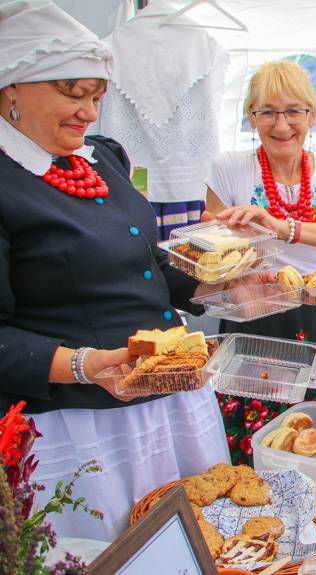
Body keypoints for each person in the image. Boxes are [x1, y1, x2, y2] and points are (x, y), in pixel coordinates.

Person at [0, 0, 230, 540]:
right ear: (11, 86)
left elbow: (141, 263)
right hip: (78, 425)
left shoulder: (101, 157)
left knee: (195, 542)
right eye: (72, 93)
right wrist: (86, 365)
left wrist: (220, 284)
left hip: (168, 399)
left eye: (97, 97)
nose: (88, 111)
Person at [205, 60, 316, 464]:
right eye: (267, 112)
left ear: (311, 115)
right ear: (251, 116)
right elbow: (208, 253)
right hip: (253, 312)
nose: (281, 125)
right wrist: (230, 242)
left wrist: (283, 228)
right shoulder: (228, 167)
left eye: (293, 112)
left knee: (313, 436)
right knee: (254, 442)